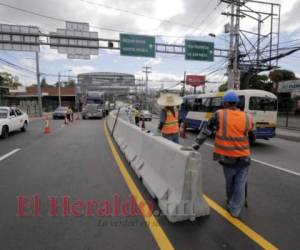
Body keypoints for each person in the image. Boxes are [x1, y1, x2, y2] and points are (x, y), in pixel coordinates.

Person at [192, 91, 254, 218]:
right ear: (237, 102)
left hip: (227, 156)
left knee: (230, 181)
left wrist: (197, 144)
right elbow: (252, 135)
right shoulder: (247, 117)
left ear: (225, 103)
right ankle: (235, 209)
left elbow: (207, 130)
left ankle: (231, 202)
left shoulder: (219, 114)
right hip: (244, 156)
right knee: (240, 183)